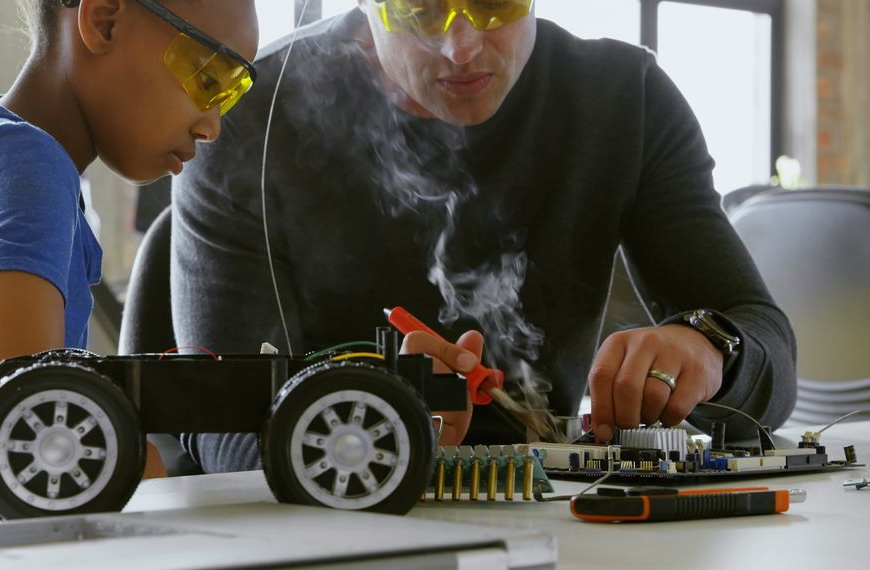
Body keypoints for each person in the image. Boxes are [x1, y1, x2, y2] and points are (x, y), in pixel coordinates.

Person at [171, 0, 798, 474]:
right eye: (419, 11)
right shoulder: (248, 116)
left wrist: (710, 350)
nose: (461, 48)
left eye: (495, 4)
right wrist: (361, 421)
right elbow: (213, 416)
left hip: (555, 514)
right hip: (333, 520)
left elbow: (764, 339)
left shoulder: (622, 100)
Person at [0, 0, 259, 501]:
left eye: (231, 97)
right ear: (103, 21)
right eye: (210, 78)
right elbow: (24, 431)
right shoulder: (21, 162)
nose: (211, 126)